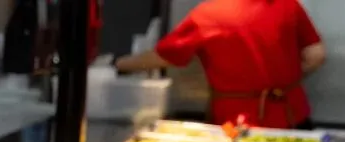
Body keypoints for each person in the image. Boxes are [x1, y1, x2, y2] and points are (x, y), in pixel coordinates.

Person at [114, 0, 327, 129]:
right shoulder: (287, 4)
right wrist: (282, 82)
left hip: (236, 123)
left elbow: (166, 56)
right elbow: (316, 55)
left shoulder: (207, 15)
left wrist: (120, 64)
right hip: (293, 117)